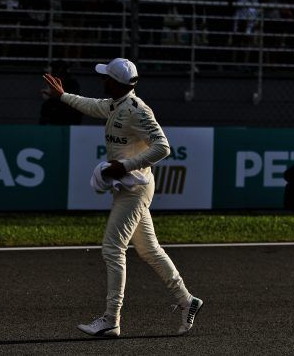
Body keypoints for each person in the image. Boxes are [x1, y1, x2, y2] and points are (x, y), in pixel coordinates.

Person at [42, 58, 203, 337]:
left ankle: (111, 319)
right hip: (130, 186)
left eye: (106, 77)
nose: (102, 80)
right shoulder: (116, 104)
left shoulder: (137, 110)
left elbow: (163, 146)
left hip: (135, 188)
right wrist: (63, 96)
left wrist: (125, 166)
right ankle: (188, 301)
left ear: (115, 83)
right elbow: (93, 106)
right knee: (149, 250)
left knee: (112, 249)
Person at [39, 60, 82, 125]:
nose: (51, 71)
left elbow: (69, 98)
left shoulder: (71, 82)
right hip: (60, 109)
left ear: (59, 69)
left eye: (53, 69)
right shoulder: (56, 81)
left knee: (48, 106)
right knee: (46, 106)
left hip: (68, 111)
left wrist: (51, 95)